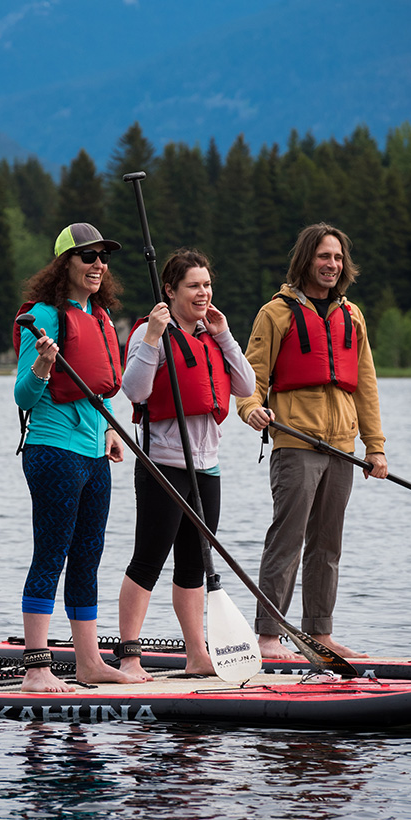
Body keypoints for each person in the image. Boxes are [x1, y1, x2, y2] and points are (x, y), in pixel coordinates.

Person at [236, 223, 388, 661]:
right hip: (295, 443)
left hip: (341, 446)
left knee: (327, 543)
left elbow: (366, 386)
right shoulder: (275, 313)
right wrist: (250, 410)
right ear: (307, 259)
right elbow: (252, 377)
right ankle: (268, 635)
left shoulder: (352, 315)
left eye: (338, 258)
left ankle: (318, 633)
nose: (332, 265)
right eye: (324, 256)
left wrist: (374, 447)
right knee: (288, 537)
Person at [13, 222, 143, 693]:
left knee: (88, 555)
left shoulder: (101, 317)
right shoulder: (44, 318)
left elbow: (100, 386)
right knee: (51, 552)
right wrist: (43, 365)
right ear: (64, 264)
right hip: (53, 451)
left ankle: (88, 662)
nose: (97, 265)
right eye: (87, 256)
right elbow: (24, 396)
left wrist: (110, 428)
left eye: (102, 257)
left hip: (92, 454)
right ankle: (36, 667)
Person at [116, 248, 257, 680]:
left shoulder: (212, 334)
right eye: (194, 285)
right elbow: (135, 391)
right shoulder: (148, 333)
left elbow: (246, 384)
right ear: (170, 290)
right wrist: (155, 337)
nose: (203, 293)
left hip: (207, 467)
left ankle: (198, 654)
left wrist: (225, 334)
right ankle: (129, 656)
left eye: (207, 285)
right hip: (163, 465)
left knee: (194, 565)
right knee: (148, 560)